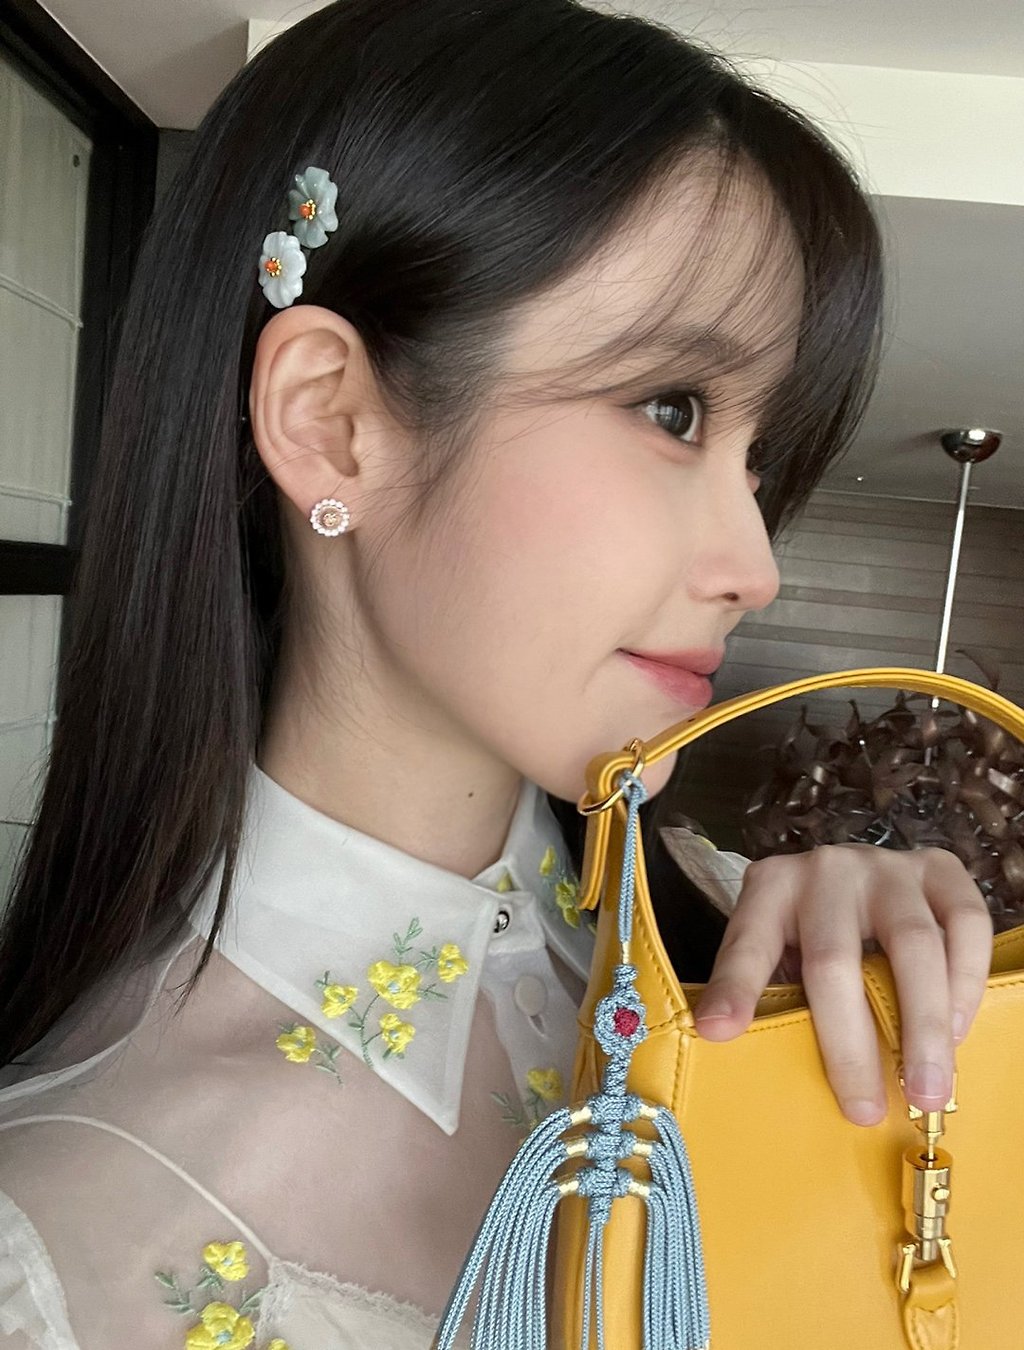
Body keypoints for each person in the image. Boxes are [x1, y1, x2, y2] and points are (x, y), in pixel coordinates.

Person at [0, 0, 994, 1346]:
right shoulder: (56, 1252)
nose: (756, 564)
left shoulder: (750, 971)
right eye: (674, 411)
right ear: (332, 424)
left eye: (759, 459)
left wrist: (899, 1019)